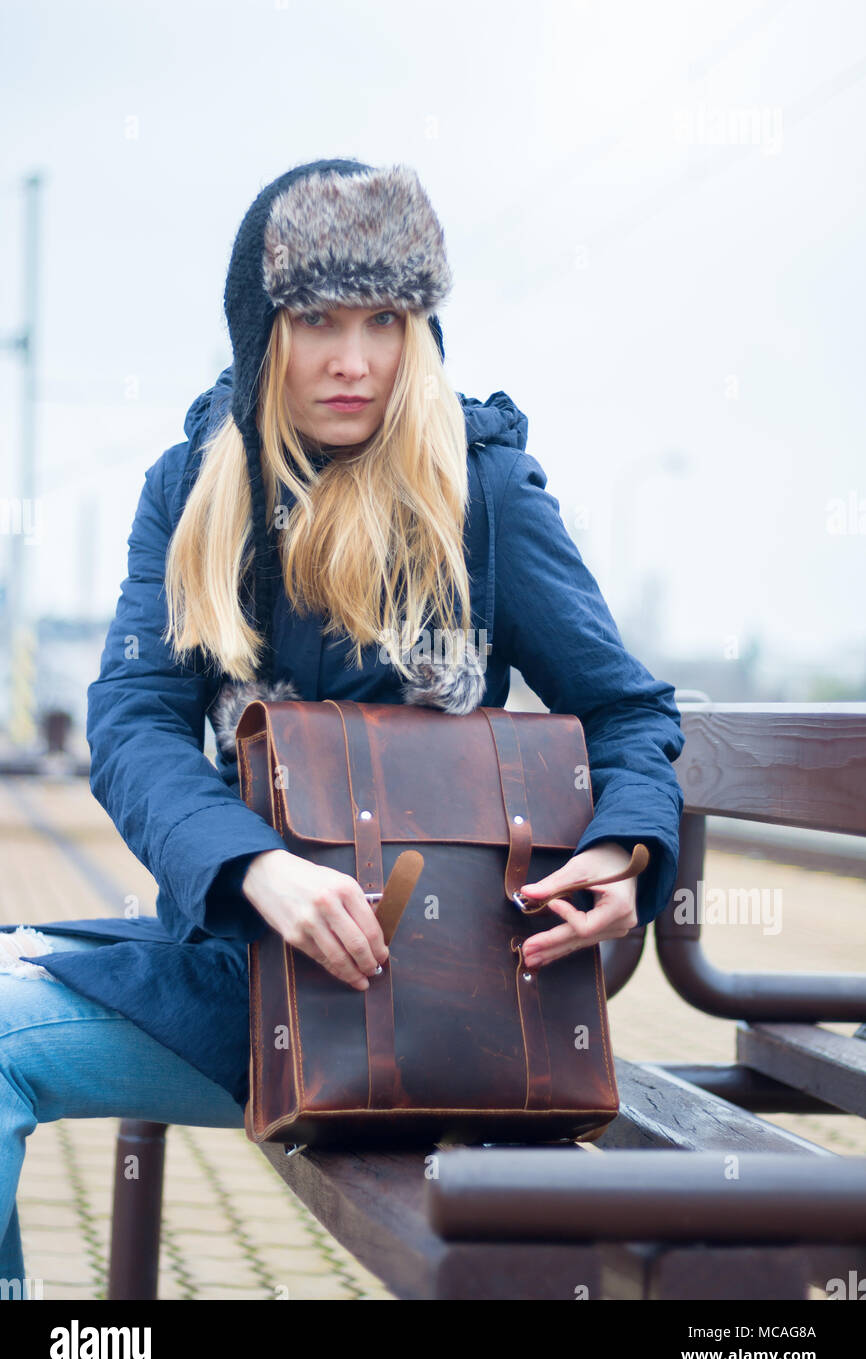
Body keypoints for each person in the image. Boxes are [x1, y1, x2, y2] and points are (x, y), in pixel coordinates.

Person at [0, 156, 685, 1293]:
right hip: (243, 983)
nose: (353, 360)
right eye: (316, 318)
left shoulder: (483, 492)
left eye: (385, 319)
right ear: (260, 325)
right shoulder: (192, 491)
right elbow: (133, 719)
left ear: (420, 327)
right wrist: (254, 866)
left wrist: (624, 851)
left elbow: (625, 712)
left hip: (447, 1009)